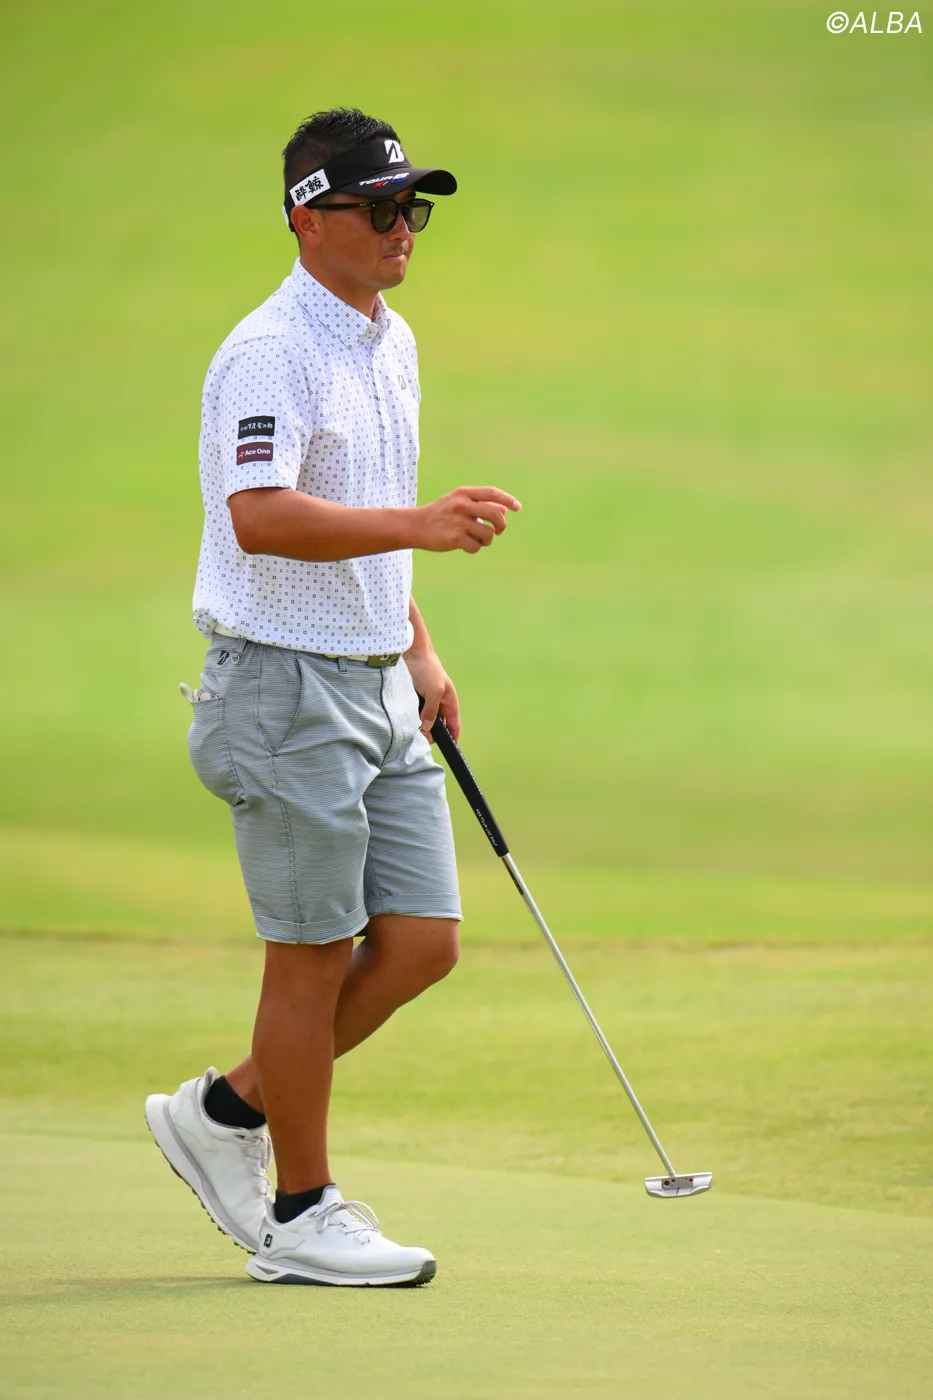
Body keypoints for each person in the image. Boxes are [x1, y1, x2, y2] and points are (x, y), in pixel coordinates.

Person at [144, 107, 520, 1288]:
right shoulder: (268, 351)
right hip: (282, 688)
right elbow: (262, 516)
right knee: (308, 957)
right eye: (381, 207)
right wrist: (423, 527)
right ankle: (300, 1213)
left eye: (416, 208)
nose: (405, 227)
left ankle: (223, 1110)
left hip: (374, 677)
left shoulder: (388, 338)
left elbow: (364, 505)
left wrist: (419, 644)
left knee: (420, 941)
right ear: (309, 218)